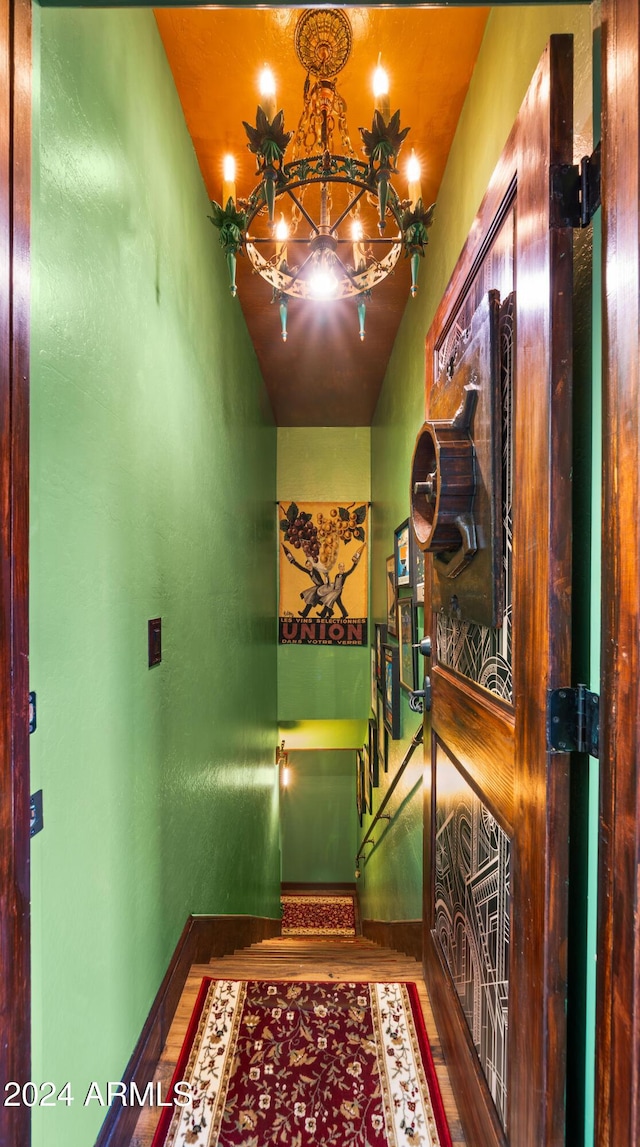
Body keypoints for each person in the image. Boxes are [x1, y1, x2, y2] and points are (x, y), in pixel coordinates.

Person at [282, 545, 328, 618]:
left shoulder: (315, 570)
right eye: (307, 566)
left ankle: (309, 605)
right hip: (317, 588)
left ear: (312, 565)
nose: (309, 567)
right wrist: (293, 561)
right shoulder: (309, 572)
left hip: (321, 588)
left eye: (310, 565)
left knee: (311, 596)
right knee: (310, 599)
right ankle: (305, 614)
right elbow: (300, 568)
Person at [317, 548, 363, 619]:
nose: (342, 568)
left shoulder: (345, 575)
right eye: (341, 566)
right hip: (334, 590)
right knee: (338, 603)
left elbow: (351, 570)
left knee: (329, 600)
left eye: (343, 566)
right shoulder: (337, 575)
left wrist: (355, 564)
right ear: (339, 567)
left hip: (338, 591)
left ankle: (324, 614)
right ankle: (343, 614)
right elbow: (335, 583)